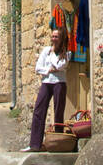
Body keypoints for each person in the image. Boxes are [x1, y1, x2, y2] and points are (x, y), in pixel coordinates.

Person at [23, 24, 70, 152]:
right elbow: (38, 68)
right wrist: (49, 69)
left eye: (56, 37)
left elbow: (60, 66)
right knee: (39, 109)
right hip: (47, 83)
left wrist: (52, 60)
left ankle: (58, 143)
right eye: (53, 36)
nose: (53, 39)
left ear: (61, 39)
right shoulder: (46, 51)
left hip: (59, 82)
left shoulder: (67, 53)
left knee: (58, 111)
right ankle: (35, 144)